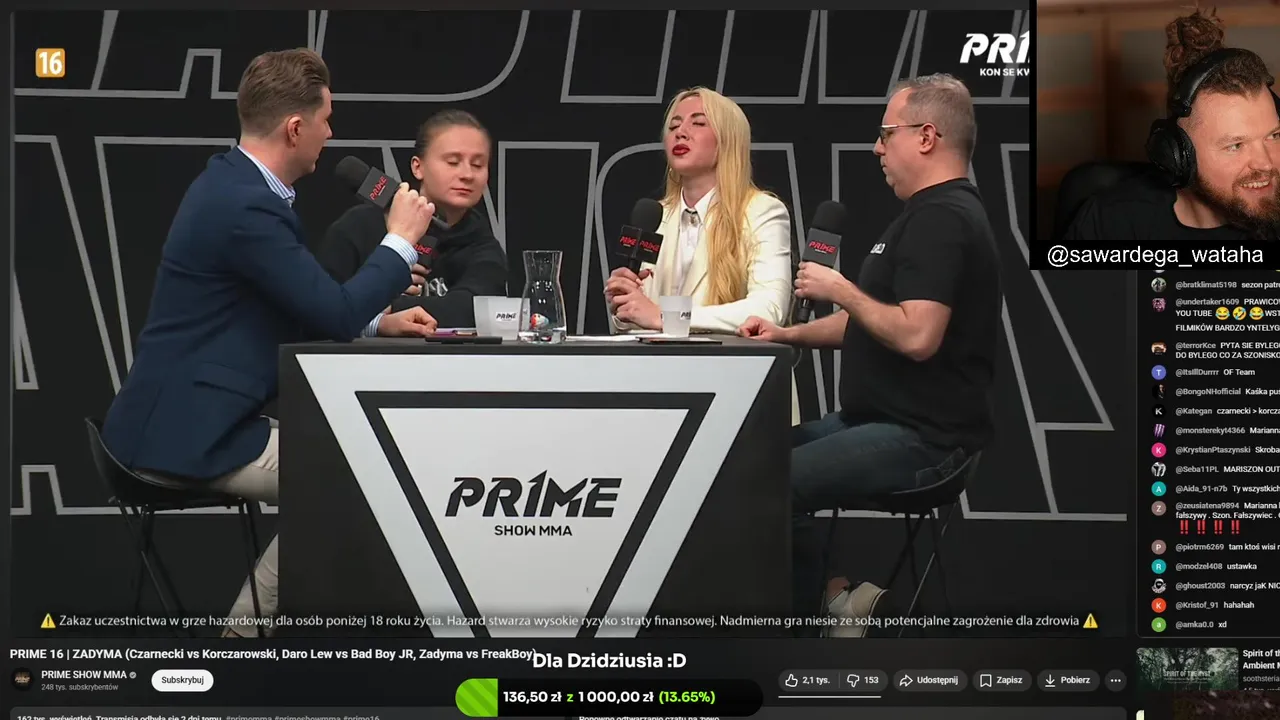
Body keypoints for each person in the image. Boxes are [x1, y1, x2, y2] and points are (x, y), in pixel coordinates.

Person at [100, 48, 439, 637]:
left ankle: (251, 633)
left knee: (358, 462)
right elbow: (332, 311)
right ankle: (241, 640)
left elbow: (302, 305)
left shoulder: (235, 185)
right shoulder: (245, 205)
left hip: (195, 419)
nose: (331, 134)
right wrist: (401, 241)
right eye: (327, 120)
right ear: (295, 128)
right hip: (182, 434)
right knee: (362, 475)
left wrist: (375, 324)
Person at [738, 74, 1001, 636]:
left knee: (764, 484)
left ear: (926, 136)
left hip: (927, 439)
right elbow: (874, 321)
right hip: (878, 420)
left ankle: (798, 637)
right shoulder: (924, 214)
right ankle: (832, 605)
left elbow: (916, 335)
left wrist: (841, 289)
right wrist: (787, 335)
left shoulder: (944, 218)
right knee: (745, 463)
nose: (877, 148)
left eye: (886, 133)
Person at [604, 86, 799, 422]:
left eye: (697, 123)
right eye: (674, 125)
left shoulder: (762, 212)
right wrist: (625, 307)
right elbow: (642, 323)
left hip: (741, 396)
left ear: (728, 140)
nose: (681, 132)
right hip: (662, 398)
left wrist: (666, 317)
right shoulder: (656, 216)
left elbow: (768, 311)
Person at [1065, 9, 1280, 241]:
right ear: (1179, 155)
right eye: (1236, 145)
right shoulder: (1111, 223)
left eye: (1274, 136)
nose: (1266, 164)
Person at [317, 109, 508, 327]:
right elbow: (322, 306)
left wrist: (381, 304)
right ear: (418, 167)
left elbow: (477, 310)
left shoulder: (483, 245)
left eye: (478, 165)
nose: (467, 174)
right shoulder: (358, 227)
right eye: (453, 162)